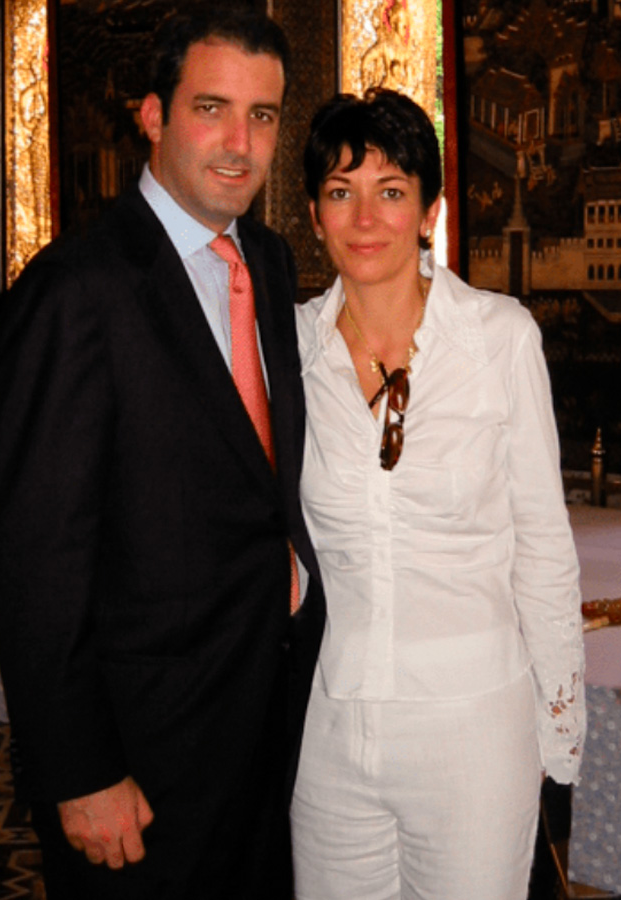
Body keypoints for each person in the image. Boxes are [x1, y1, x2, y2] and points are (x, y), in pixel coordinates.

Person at [0, 7, 324, 899]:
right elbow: (32, 562)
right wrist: (79, 767)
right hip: (140, 762)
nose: (240, 142)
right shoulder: (76, 290)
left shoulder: (275, 263)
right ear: (152, 115)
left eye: (264, 114)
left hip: (268, 731)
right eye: (212, 108)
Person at [290, 88, 585, 900]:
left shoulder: (498, 339)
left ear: (429, 211)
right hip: (333, 728)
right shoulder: (290, 351)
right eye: (340, 193)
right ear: (314, 215)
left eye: (391, 192)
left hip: (474, 736)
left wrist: (557, 745)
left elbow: (543, 549)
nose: (364, 218)